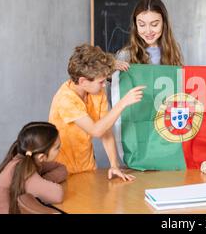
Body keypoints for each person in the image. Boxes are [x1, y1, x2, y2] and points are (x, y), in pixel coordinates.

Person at [48, 44, 145, 179]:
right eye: (101, 81)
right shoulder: (65, 100)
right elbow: (95, 130)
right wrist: (123, 103)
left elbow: (105, 129)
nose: (104, 85)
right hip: (62, 172)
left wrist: (114, 165)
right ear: (83, 81)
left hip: (87, 168)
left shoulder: (96, 91)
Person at [111, 0, 184, 161]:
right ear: (135, 25)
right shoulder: (125, 55)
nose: (148, 31)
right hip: (137, 126)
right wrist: (110, 67)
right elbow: (113, 92)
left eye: (154, 24)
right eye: (142, 25)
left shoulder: (173, 52)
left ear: (164, 23)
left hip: (165, 126)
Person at [0, 122, 67, 214]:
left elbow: (62, 168)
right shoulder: (24, 170)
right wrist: (41, 183)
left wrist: (42, 181)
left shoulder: (26, 160)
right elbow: (58, 194)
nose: (60, 150)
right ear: (41, 156)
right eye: (57, 147)